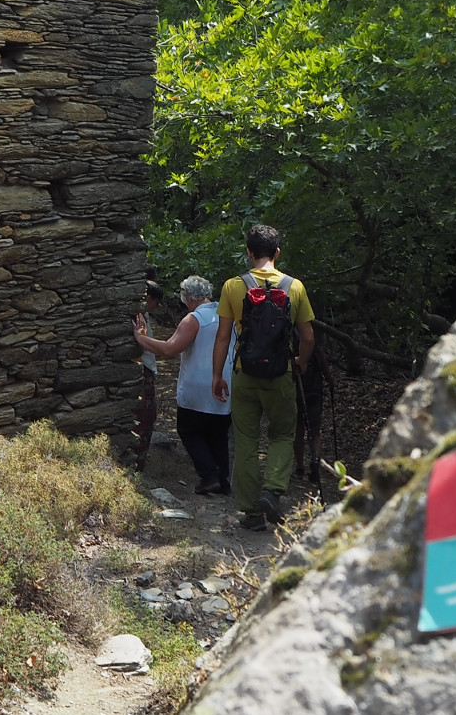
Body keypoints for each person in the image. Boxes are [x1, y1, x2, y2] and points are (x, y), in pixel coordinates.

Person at [211, 224, 315, 531]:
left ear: (249, 253)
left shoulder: (233, 286)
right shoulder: (294, 287)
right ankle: (272, 490)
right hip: (280, 374)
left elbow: (222, 336)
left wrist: (217, 375)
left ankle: (252, 513)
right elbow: (308, 337)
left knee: (246, 441)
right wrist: (301, 361)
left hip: (244, 373)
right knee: (283, 434)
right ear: (277, 253)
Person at [133, 275, 233, 495]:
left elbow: (169, 348)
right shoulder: (227, 315)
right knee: (218, 433)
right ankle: (222, 480)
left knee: (188, 431)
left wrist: (142, 339)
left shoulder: (194, 319)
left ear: (188, 297)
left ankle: (209, 475)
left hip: (197, 386)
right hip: (225, 382)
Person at [127, 280, 167, 470]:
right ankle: (137, 463)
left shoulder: (144, 317)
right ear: (148, 298)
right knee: (145, 417)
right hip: (143, 371)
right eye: (156, 302)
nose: (157, 307)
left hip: (145, 369)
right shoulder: (139, 319)